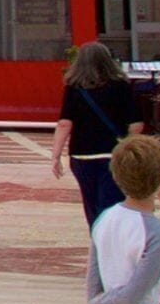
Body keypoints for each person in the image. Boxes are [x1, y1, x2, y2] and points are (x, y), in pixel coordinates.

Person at [52, 41, 148, 223]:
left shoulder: (74, 88)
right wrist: (128, 145)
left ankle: (97, 235)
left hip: (81, 154)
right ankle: (112, 236)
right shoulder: (121, 86)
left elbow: (64, 124)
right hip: (113, 153)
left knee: (91, 203)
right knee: (113, 202)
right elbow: (136, 124)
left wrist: (56, 155)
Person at [86, 133, 160, 304]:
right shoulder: (157, 233)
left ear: (116, 176)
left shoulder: (104, 219)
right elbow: (134, 294)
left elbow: (94, 281)